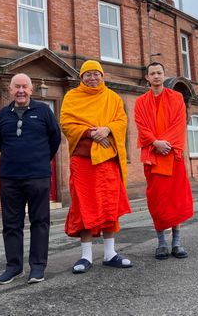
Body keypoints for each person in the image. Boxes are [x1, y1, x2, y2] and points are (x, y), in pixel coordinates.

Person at [60, 60, 132, 274]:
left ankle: (110, 254)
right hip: (83, 162)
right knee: (84, 207)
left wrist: (107, 129)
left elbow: (122, 120)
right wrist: (91, 133)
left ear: (102, 76)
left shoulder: (112, 97)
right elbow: (66, 123)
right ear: (81, 77)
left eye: (96, 74)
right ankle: (86, 256)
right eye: (88, 74)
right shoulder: (72, 97)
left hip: (107, 162)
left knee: (110, 207)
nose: (92, 78)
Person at [0, 73, 61, 285]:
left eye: (24, 87)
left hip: (38, 176)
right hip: (10, 177)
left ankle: (38, 267)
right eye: (17, 87)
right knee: (11, 224)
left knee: (40, 222)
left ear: (31, 90)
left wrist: (40, 159)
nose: (21, 91)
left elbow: (55, 138)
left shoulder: (44, 111)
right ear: (10, 90)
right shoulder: (3, 114)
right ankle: (13, 267)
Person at [134, 62, 194, 260]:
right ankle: (161, 243)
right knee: (157, 201)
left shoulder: (176, 97)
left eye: (159, 73)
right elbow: (141, 126)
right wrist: (155, 142)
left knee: (175, 200)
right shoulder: (141, 101)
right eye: (153, 73)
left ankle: (176, 242)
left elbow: (179, 124)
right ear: (147, 78)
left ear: (163, 75)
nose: (156, 76)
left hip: (172, 156)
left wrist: (164, 143)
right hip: (153, 158)